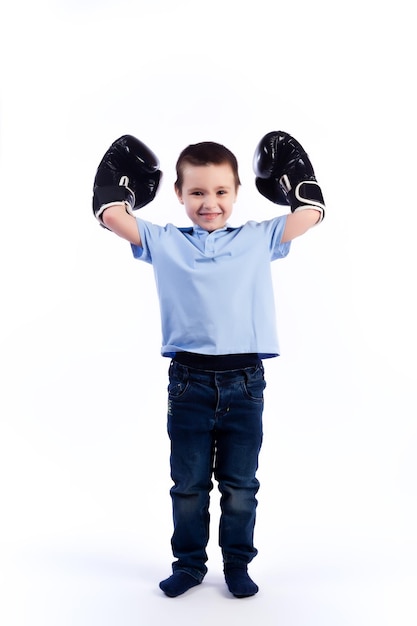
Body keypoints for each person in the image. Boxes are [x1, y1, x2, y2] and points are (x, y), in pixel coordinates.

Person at [92, 131, 325, 598]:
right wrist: (115, 191)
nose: (210, 202)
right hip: (189, 383)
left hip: (245, 384)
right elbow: (115, 216)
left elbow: (310, 215)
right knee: (189, 486)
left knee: (241, 487)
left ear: (237, 192)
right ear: (178, 194)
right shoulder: (163, 241)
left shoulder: (260, 238)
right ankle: (190, 565)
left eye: (221, 191)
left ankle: (237, 565)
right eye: (197, 192)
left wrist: (300, 184)